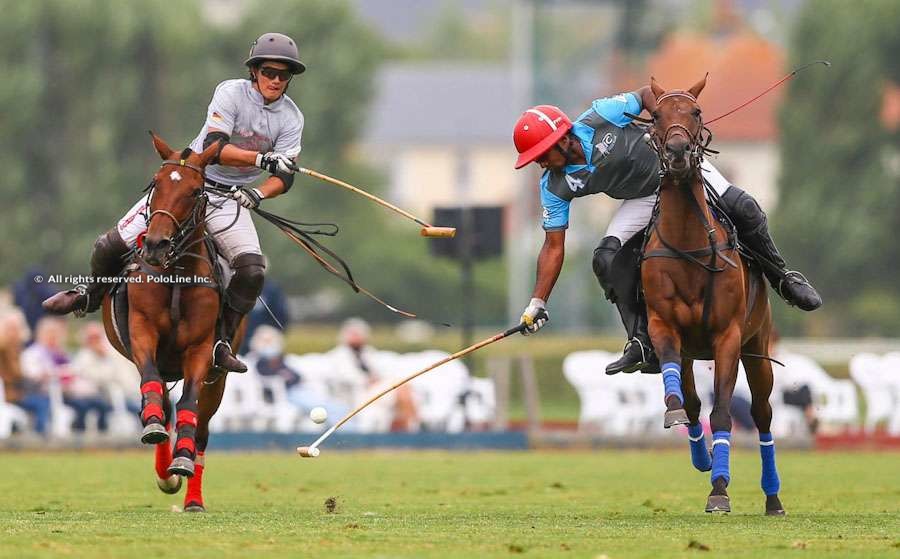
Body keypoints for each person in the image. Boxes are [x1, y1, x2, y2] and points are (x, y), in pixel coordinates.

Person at [42, 32, 306, 373]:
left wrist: (258, 192)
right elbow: (215, 145)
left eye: (283, 75)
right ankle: (91, 293)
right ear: (254, 71)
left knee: (252, 270)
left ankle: (221, 342)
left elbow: (284, 178)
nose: (275, 80)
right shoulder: (230, 93)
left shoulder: (292, 118)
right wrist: (261, 159)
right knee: (110, 245)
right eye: (269, 71)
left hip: (229, 200)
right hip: (190, 183)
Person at [513, 90, 822, 374]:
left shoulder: (600, 115)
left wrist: (663, 128)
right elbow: (553, 247)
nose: (539, 162)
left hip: (680, 173)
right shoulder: (553, 185)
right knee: (604, 259)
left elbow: (648, 95)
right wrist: (537, 303)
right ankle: (641, 341)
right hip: (641, 198)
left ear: (564, 139)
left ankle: (782, 278)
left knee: (745, 208)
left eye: (541, 153)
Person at [326, 318, 419, 432]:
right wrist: (368, 380)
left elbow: (380, 372)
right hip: (358, 395)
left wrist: (375, 380)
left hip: (375, 391)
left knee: (403, 389)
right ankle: (414, 428)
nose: (356, 338)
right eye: (353, 334)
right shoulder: (339, 356)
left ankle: (409, 427)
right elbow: (346, 378)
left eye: (358, 334)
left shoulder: (368, 353)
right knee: (402, 389)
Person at [22, 317, 111, 433]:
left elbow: (74, 371)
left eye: (56, 334)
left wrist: (68, 374)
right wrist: (51, 374)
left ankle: (83, 436)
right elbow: (31, 374)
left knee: (93, 404)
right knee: (46, 407)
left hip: (66, 393)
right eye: (50, 334)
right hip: (42, 393)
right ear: (40, 334)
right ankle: (41, 439)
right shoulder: (33, 353)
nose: (53, 337)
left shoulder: (61, 353)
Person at [247, 325, 347, 424]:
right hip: (282, 395)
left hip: (297, 390)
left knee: (338, 407)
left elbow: (296, 376)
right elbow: (266, 377)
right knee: (324, 407)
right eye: (265, 341)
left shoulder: (281, 359)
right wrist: (284, 376)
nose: (269, 344)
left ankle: (346, 432)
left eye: (271, 340)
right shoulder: (257, 361)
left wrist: (287, 376)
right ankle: (343, 433)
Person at [70, 322, 141, 416]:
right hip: (106, 395)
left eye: (97, 337)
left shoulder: (114, 352)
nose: (95, 341)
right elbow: (96, 377)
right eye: (92, 338)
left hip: (130, 391)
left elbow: (126, 373)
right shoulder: (84, 356)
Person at [0, 308, 36, 430]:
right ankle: (42, 440)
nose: (14, 332)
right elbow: (16, 374)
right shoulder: (4, 348)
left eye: (16, 328)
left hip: (20, 392)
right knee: (42, 404)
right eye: (11, 328)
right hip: (9, 395)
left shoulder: (19, 347)